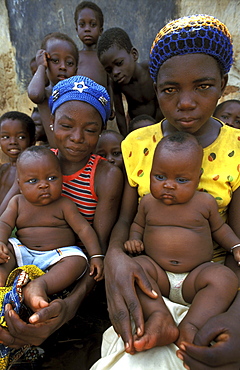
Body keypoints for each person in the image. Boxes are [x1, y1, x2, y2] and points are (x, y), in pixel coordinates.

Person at [91, 14, 240, 370]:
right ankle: (161, 322)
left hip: (208, 289)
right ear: (155, 87)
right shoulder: (138, 144)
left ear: (223, 84)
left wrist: (235, 317)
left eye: (203, 86)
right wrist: (116, 257)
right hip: (150, 283)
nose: (185, 102)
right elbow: (126, 220)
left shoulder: (237, 149)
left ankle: (186, 328)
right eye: (170, 89)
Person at [0, 75, 123, 368]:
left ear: (101, 131)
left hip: (69, 273)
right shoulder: (38, 161)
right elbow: (6, 216)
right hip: (23, 255)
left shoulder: (105, 176)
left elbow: (97, 248)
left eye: (90, 129)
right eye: (67, 126)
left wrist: (69, 306)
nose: (77, 137)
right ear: (52, 124)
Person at [124, 131, 239, 350]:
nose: (169, 185)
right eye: (159, 177)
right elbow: (137, 225)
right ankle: (159, 316)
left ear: (197, 179)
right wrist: (134, 239)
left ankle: (191, 325)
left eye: (181, 180)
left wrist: (236, 246)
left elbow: (220, 229)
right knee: (135, 268)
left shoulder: (204, 203)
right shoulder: (148, 202)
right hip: (158, 277)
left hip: (195, 278)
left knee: (224, 277)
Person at [0, 145, 104, 313]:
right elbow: (4, 224)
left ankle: (39, 286)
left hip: (57, 257)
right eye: (33, 181)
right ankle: (1, 281)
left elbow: (83, 230)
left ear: (61, 178)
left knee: (78, 260)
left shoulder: (64, 205)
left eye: (51, 178)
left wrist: (96, 255)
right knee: (7, 250)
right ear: (20, 185)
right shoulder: (17, 202)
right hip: (23, 251)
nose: (44, 185)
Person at [97, 27, 163, 137]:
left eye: (119, 63)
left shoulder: (152, 71)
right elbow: (120, 114)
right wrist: (126, 140)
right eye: (109, 70)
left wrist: (156, 129)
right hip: (136, 130)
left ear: (134, 54)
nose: (115, 72)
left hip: (159, 126)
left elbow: (161, 104)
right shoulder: (116, 84)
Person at [28, 32, 79, 148]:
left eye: (69, 63)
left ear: (76, 69)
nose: (63, 66)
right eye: (55, 61)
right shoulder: (44, 94)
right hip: (54, 156)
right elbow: (34, 94)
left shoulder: (78, 96)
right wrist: (41, 66)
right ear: (45, 62)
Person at [0, 111, 35, 211]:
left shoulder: (29, 171)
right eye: (6, 137)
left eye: (21, 137)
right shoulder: (4, 168)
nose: (13, 142)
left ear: (32, 141)